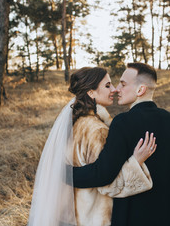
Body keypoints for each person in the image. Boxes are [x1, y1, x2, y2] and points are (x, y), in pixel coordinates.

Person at [28, 67, 156, 226]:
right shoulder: (98, 130)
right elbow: (106, 182)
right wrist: (136, 163)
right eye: (108, 85)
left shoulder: (74, 124)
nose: (115, 89)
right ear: (91, 92)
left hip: (75, 213)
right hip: (95, 215)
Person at [73, 63, 170, 226]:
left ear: (140, 90)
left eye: (123, 84)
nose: (117, 89)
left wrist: (65, 174)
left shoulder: (122, 123)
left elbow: (103, 174)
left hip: (137, 217)